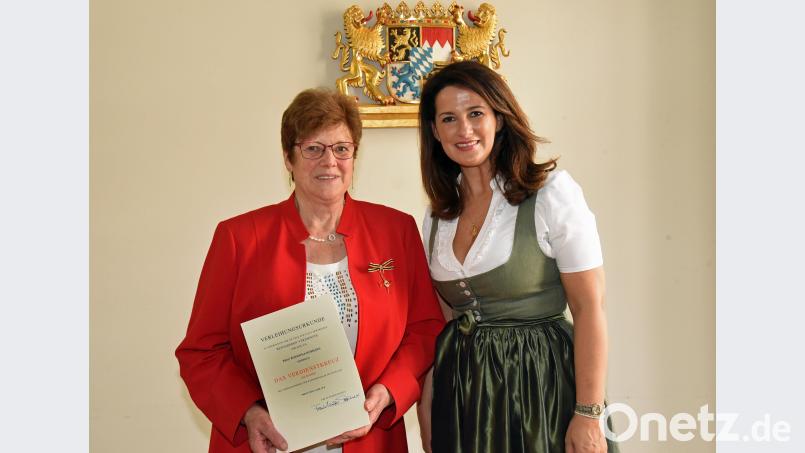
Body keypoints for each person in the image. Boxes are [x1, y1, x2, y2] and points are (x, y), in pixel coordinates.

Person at [176, 88, 445, 453]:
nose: (329, 161)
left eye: (341, 148)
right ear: (288, 157)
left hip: (370, 440)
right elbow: (201, 353)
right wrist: (249, 414)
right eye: (313, 148)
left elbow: (425, 329)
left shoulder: (395, 230)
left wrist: (387, 393)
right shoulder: (239, 238)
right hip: (270, 443)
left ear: (354, 155)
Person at [416, 61, 619, 453]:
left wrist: (589, 414)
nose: (464, 129)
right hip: (464, 396)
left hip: (541, 388)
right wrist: (428, 407)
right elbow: (439, 325)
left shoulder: (551, 194)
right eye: (449, 118)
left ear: (500, 118)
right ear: (435, 131)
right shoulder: (437, 214)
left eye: (476, 113)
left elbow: (589, 306)